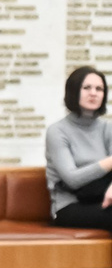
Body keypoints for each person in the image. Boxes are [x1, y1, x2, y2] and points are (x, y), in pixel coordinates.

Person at [46, 66, 112, 230]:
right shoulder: (57, 131)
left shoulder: (107, 128)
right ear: (74, 91)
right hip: (69, 206)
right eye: (86, 88)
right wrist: (109, 162)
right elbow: (72, 179)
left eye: (99, 89)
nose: (93, 93)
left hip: (103, 200)